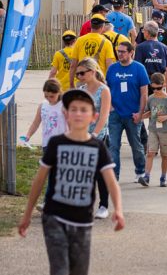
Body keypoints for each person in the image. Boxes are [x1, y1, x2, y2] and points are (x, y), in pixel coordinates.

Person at [18, 89, 125, 274]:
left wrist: (119, 210)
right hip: (54, 216)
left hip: (82, 219)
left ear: (94, 116)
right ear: (65, 114)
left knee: (78, 270)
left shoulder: (98, 147)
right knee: (60, 269)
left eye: (84, 110)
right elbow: (39, 179)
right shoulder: (56, 143)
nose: (78, 113)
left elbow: (111, 181)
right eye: (73, 109)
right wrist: (27, 214)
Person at [106, 41, 150, 182]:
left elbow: (144, 94)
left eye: (123, 51)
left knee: (136, 146)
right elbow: (106, 90)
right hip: (115, 115)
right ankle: (114, 176)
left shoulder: (139, 68)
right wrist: (110, 107)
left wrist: (140, 113)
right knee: (113, 146)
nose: (120, 54)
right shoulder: (112, 69)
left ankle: (140, 171)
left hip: (133, 115)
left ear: (131, 52)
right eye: (118, 51)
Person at [138, 73, 167, 188]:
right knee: (150, 153)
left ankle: (163, 177)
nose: (156, 90)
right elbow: (148, 112)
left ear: (163, 85)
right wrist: (141, 116)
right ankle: (146, 176)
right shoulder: (151, 98)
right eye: (153, 88)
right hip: (153, 129)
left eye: (158, 88)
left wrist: (166, 117)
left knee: (164, 155)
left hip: (165, 130)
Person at [21, 79, 66, 152]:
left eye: (52, 96)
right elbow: (35, 123)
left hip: (63, 144)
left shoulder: (64, 105)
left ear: (59, 92)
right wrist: (28, 135)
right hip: (47, 144)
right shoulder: (43, 106)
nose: (49, 99)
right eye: (46, 96)